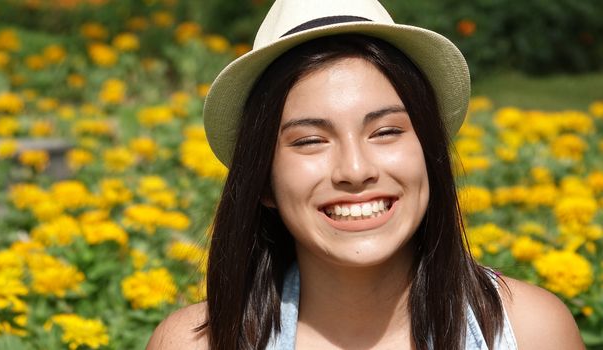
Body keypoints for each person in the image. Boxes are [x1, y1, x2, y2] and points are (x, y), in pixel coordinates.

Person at [147, 0, 585, 349]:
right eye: (310, 140)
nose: (355, 171)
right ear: (263, 181)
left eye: (387, 131)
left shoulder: (530, 333)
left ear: (429, 152)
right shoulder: (193, 343)